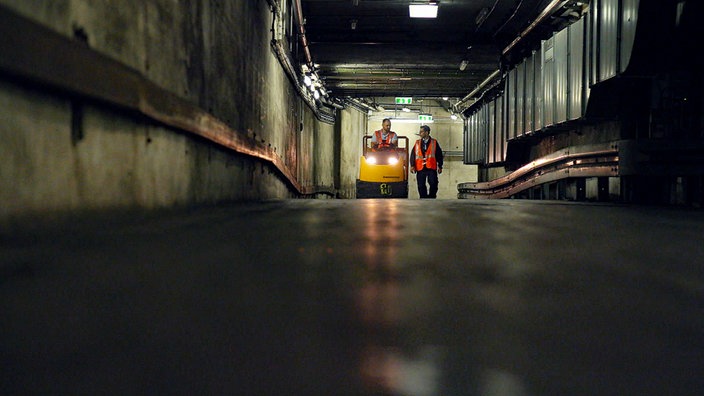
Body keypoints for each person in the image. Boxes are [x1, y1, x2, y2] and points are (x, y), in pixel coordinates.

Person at [410, 125, 444, 198]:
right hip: (420, 167)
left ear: (427, 132)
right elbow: (413, 154)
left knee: (433, 183)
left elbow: (439, 155)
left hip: (431, 167)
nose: (420, 133)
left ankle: (432, 197)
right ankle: (423, 198)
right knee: (421, 184)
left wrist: (440, 166)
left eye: (421, 132)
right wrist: (412, 166)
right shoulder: (417, 143)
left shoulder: (434, 142)